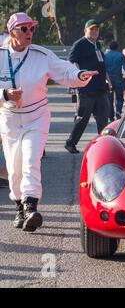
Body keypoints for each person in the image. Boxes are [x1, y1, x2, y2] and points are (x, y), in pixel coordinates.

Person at [0, 13, 97, 232]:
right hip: (9, 119)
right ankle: (19, 207)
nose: (29, 33)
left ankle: (31, 205)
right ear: (12, 31)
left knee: (31, 159)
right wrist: (5, 95)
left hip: (36, 116)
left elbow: (65, 70)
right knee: (14, 169)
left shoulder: (41, 55)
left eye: (31, 28)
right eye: (24, 29)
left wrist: (80, 75)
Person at [65, 19, 109, 154]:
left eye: (96, 29)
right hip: (86, 88)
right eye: (92, 29)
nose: (95, 31)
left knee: (103, 119)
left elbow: (101, 63)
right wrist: (79, 75)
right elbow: (71, 62)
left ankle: (105, 146)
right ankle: (70, 143)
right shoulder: (80, 44)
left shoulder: (97, 44)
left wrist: (108, 79)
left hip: (100, 87)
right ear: (85, 30)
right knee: (83, 119)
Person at [105, 41, 125, 121]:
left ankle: (111, 116)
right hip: (118, 78)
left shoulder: (105, 55)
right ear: (117, 47)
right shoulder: (120, 55)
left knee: (109, 99)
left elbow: (103, 67)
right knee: (119, 98)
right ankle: (119, 111)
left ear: (109, 47)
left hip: (108, 79)